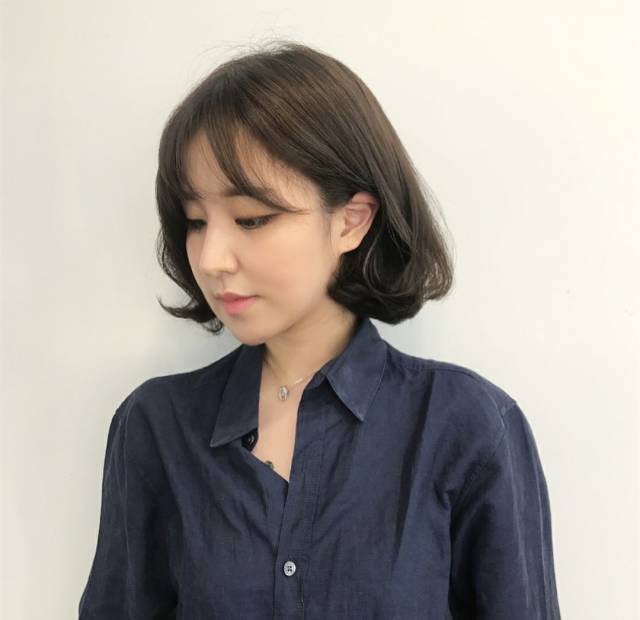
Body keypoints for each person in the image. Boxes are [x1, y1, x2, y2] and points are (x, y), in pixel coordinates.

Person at [78, 40, 561, 618]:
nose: (211, 259)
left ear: (351, 221)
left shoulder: (467, 426)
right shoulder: (156, 427)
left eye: (252, 218)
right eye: (196, 222)